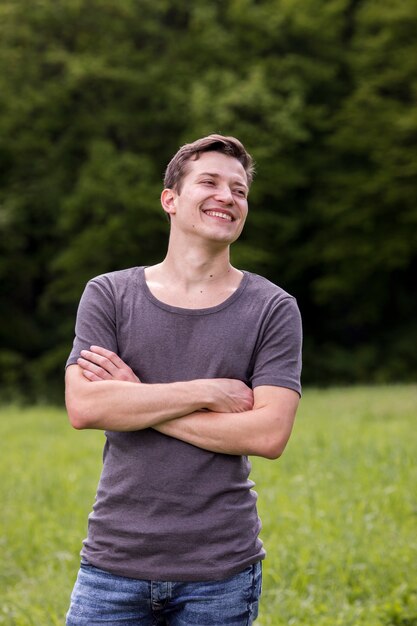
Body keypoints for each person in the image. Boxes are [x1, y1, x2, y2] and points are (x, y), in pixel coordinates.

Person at [64, 134, 302, 625]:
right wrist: (207, 392)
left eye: (239, 190)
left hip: (221, 571)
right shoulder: (108, 294)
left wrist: (134, 400)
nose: (227, 197)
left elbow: (268, 434)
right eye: (210, 182)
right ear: (169, 200)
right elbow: (85, 408)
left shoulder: (273, 308)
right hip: (114, 562)